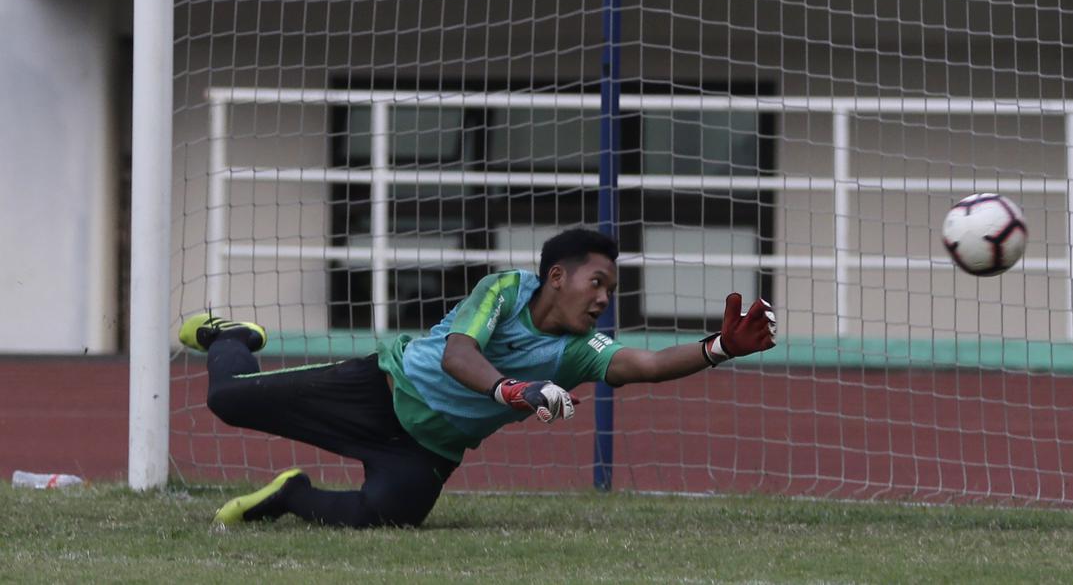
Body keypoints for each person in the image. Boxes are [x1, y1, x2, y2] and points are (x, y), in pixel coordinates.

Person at [185, 227, 777, 529]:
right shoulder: (504, 288)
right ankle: (231, 338)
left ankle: (290, 495)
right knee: (228, 399)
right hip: (381, 390)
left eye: (611, 290)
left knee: (385, 518)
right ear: (555, 277)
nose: (604, 299)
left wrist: (719, 346)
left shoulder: (578, 350)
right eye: (596, 283)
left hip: (428, 450)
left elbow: (641, 365)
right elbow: (458, 354)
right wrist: (511, 390)